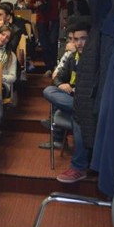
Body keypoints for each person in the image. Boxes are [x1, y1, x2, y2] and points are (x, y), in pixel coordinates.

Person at [43, 22, 91, 183]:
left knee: (79, 117)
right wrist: (59, 84)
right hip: (72, 97)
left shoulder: (93, 58)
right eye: (76, 39)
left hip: (87, 102)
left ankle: (78, 168)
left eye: (83, 38)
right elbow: (58, 77)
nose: (79, 43)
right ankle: (77, 108)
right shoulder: (72, 57)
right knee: (49, 90)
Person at [29, 0, 67, 73]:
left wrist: (64, 19)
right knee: (44, 43)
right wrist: (35, 5)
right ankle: (48, 66)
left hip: (54, 18)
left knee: (53, 42)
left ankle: (53, 65)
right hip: (41, 19)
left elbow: (64, 4)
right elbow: (30, 4)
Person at [0, 25, 18, 99]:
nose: (4, 38)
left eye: (7, 37)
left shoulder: (10, 55)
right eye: (2, 34)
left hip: (2, 84)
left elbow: (13, 77)